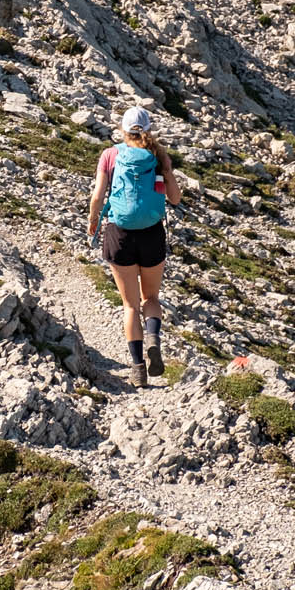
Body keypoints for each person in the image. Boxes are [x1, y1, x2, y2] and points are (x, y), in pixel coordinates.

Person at [86, 105, 181, 387]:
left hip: (119, 234)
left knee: (129, 305)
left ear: (122, 130)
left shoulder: (110, 155)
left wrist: (93, 222)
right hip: (152, 233)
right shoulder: (157, 155)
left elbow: (97, 197)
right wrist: (166, 169)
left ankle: (138, 369)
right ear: (148, 129)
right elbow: (173, 198)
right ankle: (153, 336)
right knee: (150, 298)